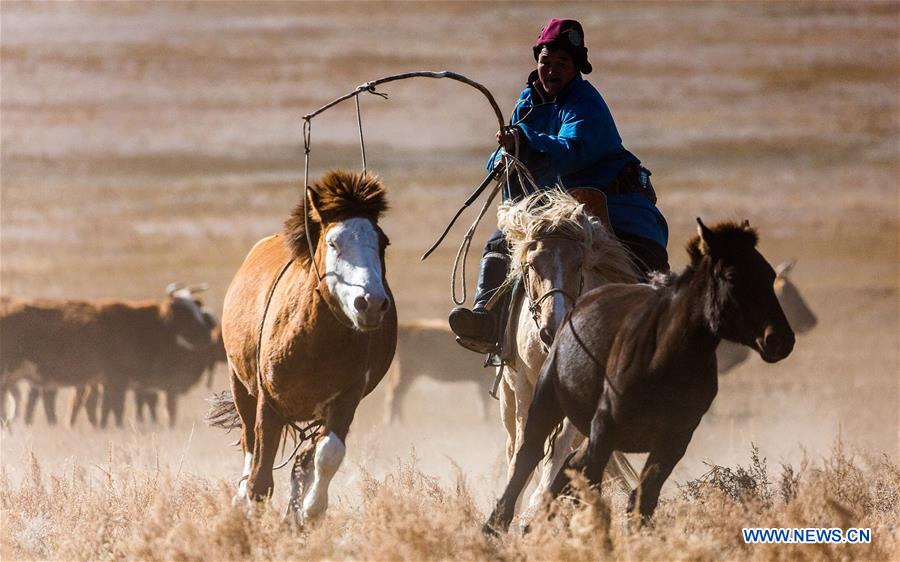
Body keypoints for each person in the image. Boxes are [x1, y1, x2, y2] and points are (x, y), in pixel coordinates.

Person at [449, 18, 669, 353]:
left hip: (609, 201)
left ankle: (659, 332)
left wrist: (525, 139)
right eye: (545, 63)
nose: (551, 71)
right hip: (555, 204)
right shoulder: (529, 100)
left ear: (576, 67)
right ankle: (486, 321)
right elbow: (507, 150)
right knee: (499, 244)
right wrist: (501, 160)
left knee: (644, 260)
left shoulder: (586, 103)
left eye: (561, 64)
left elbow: (573, 151)